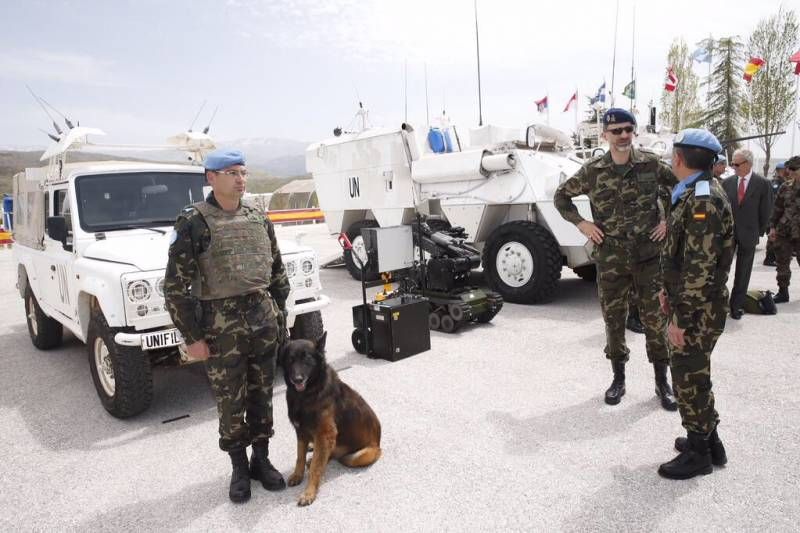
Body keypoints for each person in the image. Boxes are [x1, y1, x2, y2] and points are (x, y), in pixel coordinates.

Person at [164, 149, 290, 503]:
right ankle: (238, 467)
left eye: (244, 172)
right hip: (222, 329)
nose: (240, 179)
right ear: (211, 178)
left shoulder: (258, 217)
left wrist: (280, 317)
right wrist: (192, 337)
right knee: (230, 400)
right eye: (232, 172)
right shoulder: (193, 222)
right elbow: (174, 287)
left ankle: (261, 460)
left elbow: (277, 272)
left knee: (262, 393)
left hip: (263, 320)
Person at [554, 108, 677, 411]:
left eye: (628, 129)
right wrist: (582, 223)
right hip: (611, 260)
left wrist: (669, 222)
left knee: (655, 321)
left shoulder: (650, 163)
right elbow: (561, 197)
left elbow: (681, 189)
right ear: (605, 135)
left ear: (633, 132)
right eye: (617, 130)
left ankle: (663, 382)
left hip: (649, 258)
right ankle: (618, 379)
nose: (623, 135)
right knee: (613, 321)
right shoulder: (593, 170)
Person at [657, 128, 735, 480]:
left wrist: (680, 319)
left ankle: (699, 453)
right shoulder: (694, 193)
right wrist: (666, 291)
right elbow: (682, 258)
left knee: (688, 377)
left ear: (679, 158)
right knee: (697, 375)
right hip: (694, 303)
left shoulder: (702, 200)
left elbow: (699, 270)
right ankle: (709, 440)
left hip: (697, 310)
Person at [722, 149, 772, 319]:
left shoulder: (762, 183)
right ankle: (720, 305)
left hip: (749, 234)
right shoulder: (726, 183)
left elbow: (766, 210)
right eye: (732, 164)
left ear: (748, 164)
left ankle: (736, 307)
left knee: (743, 272)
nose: (733, 167)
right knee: (722, 269)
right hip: (728, 235)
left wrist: (759, 231)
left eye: (737, 164)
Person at [769, 156, 800, 303]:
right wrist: (773, 227)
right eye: (790, 169)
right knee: (782, 262)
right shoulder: (785, 186)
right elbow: (777, 209)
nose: (791, 172)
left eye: (794, 169)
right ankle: (783, 292)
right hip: (785, 230)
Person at [764, 161, 788, 266]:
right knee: (773, 237)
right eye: (785, 170)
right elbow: (774, 200)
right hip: (774, 213)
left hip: (781, 214)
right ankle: (769, 258)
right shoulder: (776, 183)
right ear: (780, 171)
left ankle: (774, 257)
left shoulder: (784, 181)